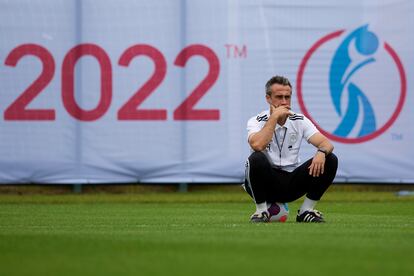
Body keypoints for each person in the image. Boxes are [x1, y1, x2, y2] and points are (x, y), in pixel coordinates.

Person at [243, 75, 338, 223]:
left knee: (330, 159)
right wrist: (274, 118)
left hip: (292, 182)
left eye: (287, 97)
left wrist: (321, 152)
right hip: (265, 183)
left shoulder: (299, 120)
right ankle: (261, 212)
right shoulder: (256, 120)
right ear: (268, 98)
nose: (284, 102)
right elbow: (257, 145)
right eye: (279, 97)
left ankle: (306, 211)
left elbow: (327, 144)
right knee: (256, 158)